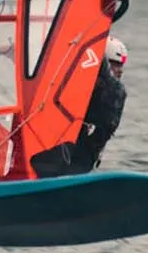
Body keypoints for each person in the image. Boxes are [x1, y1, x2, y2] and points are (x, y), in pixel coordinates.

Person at [29, 36, 128, 177]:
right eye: (115, 64)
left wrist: (93, 40)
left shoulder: (116, 90)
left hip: (82, 158)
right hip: (59, 152)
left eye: (121, 65)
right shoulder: (78, 83)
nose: (120, 70)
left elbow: (103, 73)